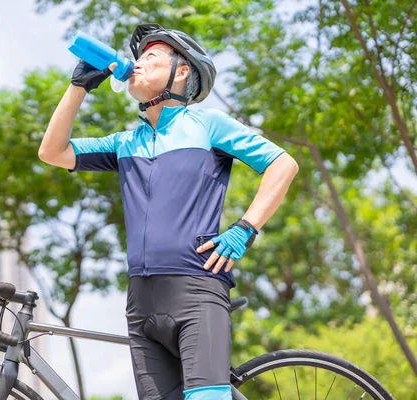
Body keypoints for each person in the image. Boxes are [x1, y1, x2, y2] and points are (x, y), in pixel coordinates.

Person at [39, 23, 299, 400]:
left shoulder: (208, 124)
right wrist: (78, 87)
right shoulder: (125, 142)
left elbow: (283, 164)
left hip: (196, 291)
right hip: (141, 302)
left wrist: (244, 228)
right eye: (137, 59)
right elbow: (52, 152)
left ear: (180, 72)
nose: (138, 65)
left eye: (151, 58)